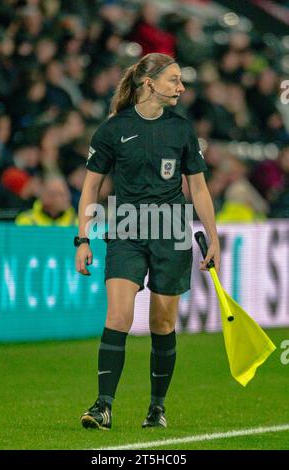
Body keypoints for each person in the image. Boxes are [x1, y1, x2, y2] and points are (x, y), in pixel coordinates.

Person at [75, 53, 220, 430]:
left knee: (161, 323)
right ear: (149, 83)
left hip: (171, 230)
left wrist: (213, 238)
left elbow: (199, 189)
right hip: (126, 230)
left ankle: (157, 408)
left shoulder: (182, 130)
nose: (181, 87)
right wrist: (82, 238)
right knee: (118, 316)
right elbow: (91, 185)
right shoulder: (112, 129)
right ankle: (103, 405)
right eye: (173, 80)